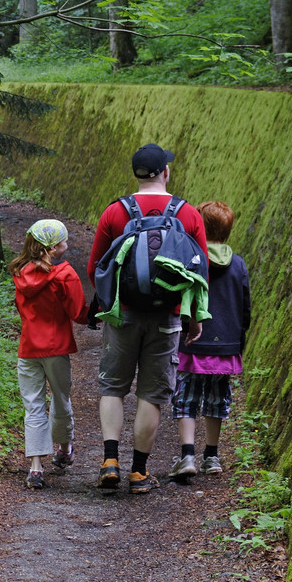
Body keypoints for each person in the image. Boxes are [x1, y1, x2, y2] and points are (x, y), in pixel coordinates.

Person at [87, 143, 208, 494]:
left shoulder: (115, 212)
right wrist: (194, 319)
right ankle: (139, 472)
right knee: (151, 394)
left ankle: (110, 461)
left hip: (123, 314)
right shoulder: (187, 214)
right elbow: (200, 275)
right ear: (165, 172)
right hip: (166, 317)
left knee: (113, 386)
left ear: (136, 174)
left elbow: (97, 267)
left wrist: (110, 305)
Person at [169, 201, 250, 479]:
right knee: (217, 400)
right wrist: (238, 342)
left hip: (191, 345)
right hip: (225, 347)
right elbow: (245, 308)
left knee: (186, 399)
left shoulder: (191, 260)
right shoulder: (238, 265)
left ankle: (187, 455)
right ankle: (212, 457)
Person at [10, 219, 87, 489]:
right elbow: (78, 314)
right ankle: (64, 449)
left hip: (28, 348)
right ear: (53, 248)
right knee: (60, 398)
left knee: (33, 406)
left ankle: (35, 467)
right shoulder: (65, 274)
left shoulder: (19, 272)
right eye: (65, 240)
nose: (68, 243)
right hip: (56, 349)